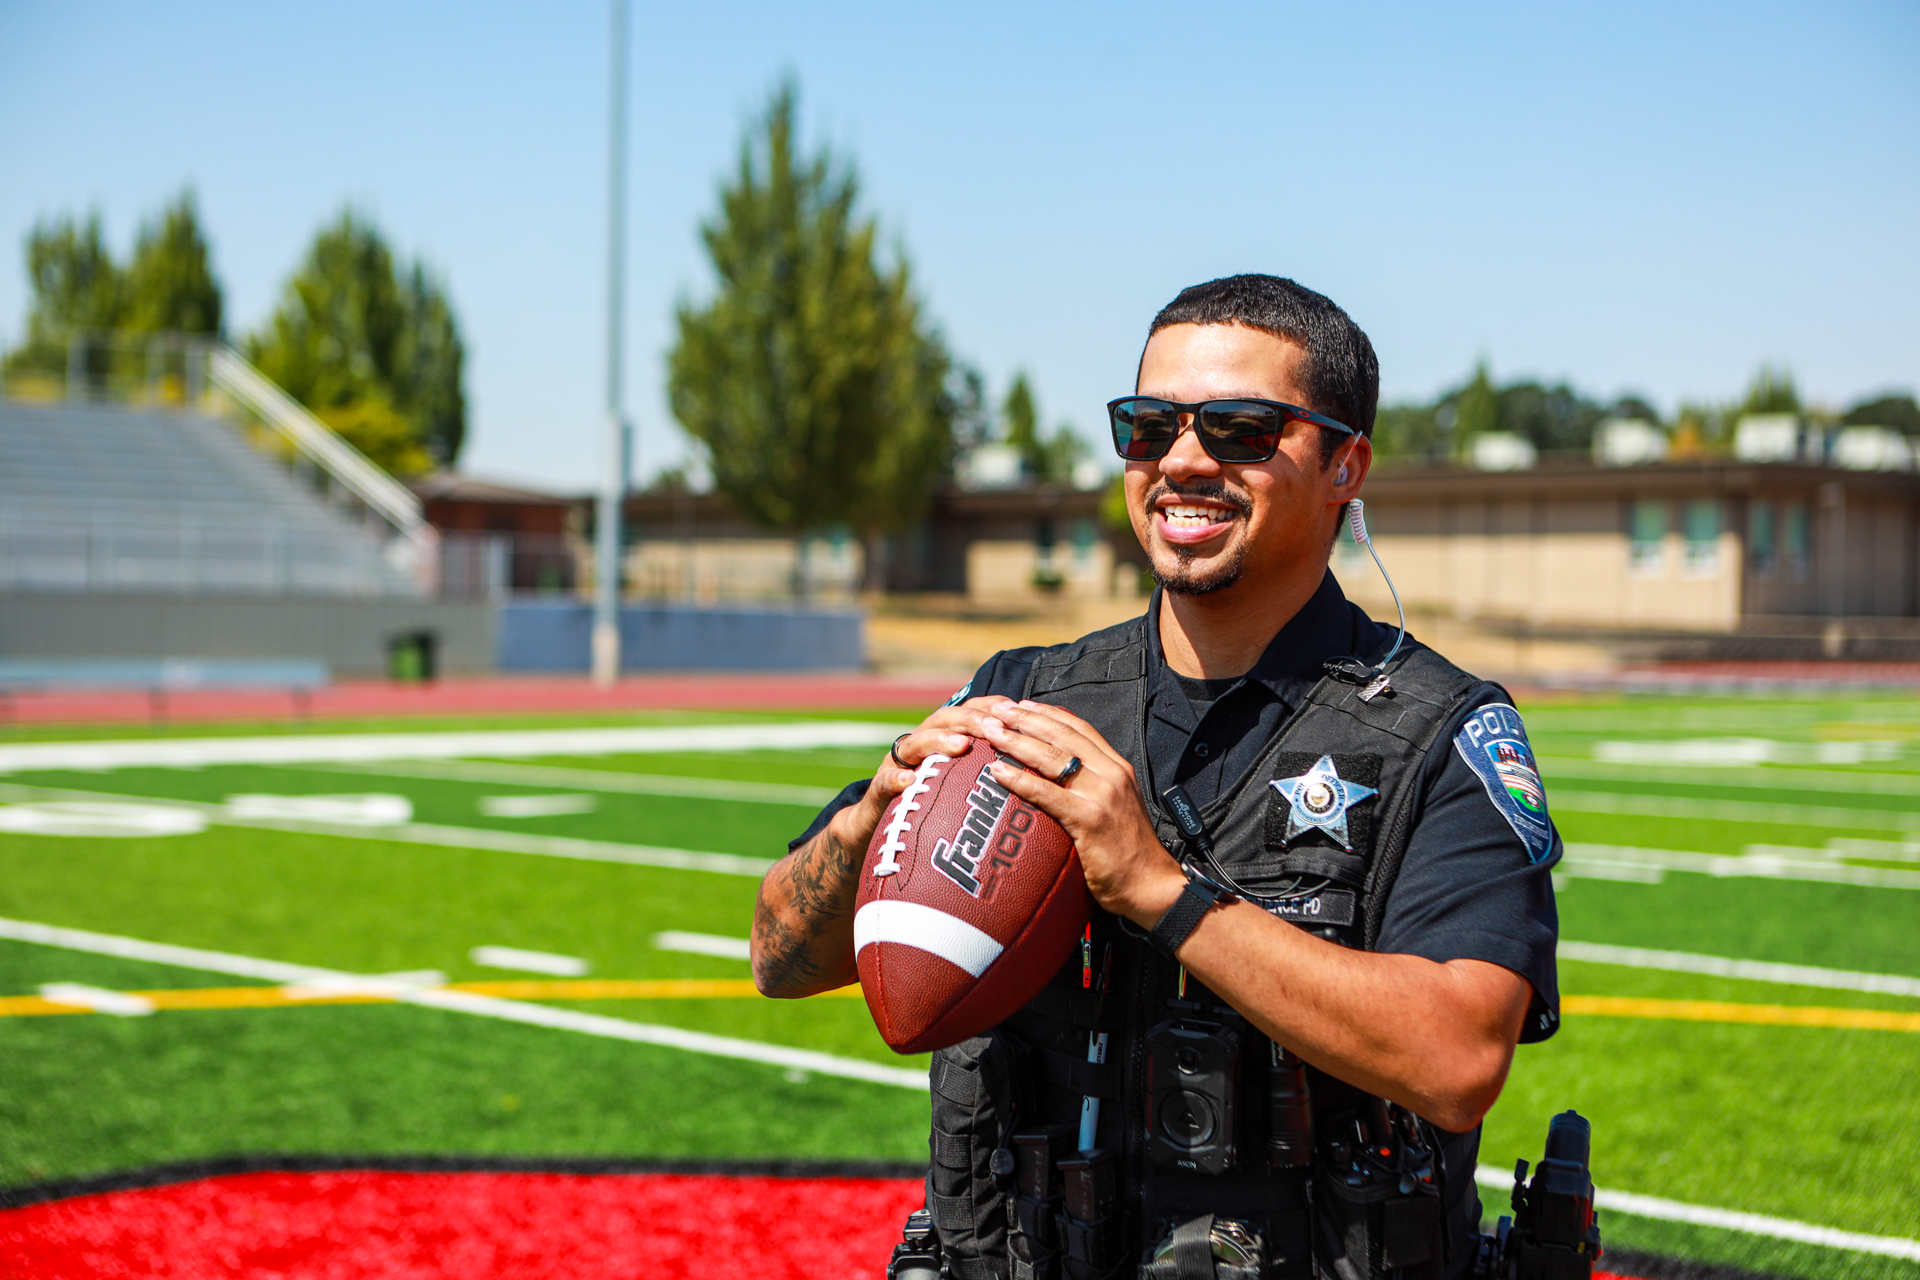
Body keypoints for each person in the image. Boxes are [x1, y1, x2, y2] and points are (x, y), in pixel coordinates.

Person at [752, 274, 1561, 1280]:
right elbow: (779, 957)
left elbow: (1457, 1058)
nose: (1183, 459)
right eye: (1150, 425)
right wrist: (873, 816)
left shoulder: (1440, 729)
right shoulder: (1020, 699)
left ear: (1346, 463)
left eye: (1240, 429)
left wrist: (1160, 890)